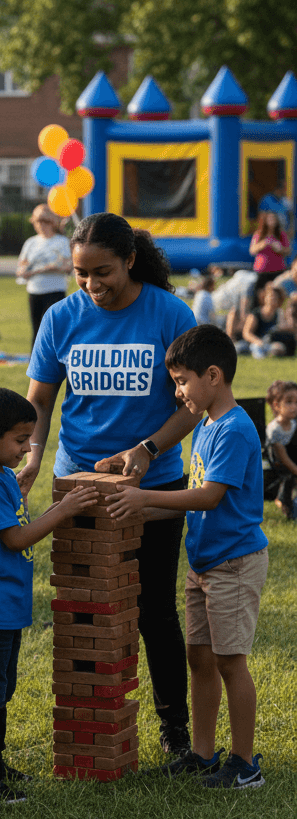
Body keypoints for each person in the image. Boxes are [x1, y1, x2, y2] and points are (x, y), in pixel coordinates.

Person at [20, 211, 201, 756]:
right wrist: (32, 456)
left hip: (154, 485)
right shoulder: (60, 317)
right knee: (84, 608)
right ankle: (89, 726)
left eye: (103, 272)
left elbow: (193, 404)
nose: (92, 285)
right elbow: (41, 400)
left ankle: (174, 734)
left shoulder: (170, 314)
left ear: (129, 261)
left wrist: (148, 451)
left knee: (155, 613)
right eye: (81, 274)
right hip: (79, 485)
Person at [106, 325, 268, 789]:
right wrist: (139, 511)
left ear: (213, 375)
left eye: (181, 381)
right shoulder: (207, 425)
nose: (178, 392)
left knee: (230, 661)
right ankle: (201, 753)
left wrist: (147, 501)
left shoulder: (234, 429)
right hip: (203, 565)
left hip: (234, 564)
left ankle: (244, 764)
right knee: (199, 657)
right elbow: (196, 497)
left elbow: (210, 496)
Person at [0, 389, 99, 800]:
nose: (26, 450)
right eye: (20, 441)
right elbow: (15, 539)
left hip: (5, 604)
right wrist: (61, 511)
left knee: (2, 689)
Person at [16, 205, 71, 347]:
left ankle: (56, 365)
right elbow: (21, 268)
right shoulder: (31, 243)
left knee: (53, 331)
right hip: (34, 291)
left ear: (51, 222)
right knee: (37, 331)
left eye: (44, 221)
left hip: (55, 291)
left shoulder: (61, 241)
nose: (40, 225)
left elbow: (67, 266)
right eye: (37, 222)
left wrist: (43, 270)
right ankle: (35, 365)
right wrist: (27, 272)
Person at [262, 379, 297, 519]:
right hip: (279, 466)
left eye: (296, 402)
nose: (294, 407)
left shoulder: (294, 423)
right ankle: (284, 501)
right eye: (289, 402)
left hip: (292, 461)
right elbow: (283, 458)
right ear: (276, 405)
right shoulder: (275, 429)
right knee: (289, 477)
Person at [241, 284, 295, 358]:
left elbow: (286, 328)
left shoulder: (279, 313)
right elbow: (247, 333)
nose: (272, 299)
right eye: (270, 296)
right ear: (265, 297)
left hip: (269, 344)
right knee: (240, 348)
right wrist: (258, 342)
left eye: (275, 298)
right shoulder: (256, 314)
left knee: (279, 348)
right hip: (254, 343)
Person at [249, 209, 290, 291]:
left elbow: (288, 251)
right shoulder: (259, 234)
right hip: (262, 271)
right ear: (265, 221)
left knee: (277, 294)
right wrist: (264, 243)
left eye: (274, 219)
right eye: (270, 219)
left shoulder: (281, 234)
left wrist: (279, 248)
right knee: (260, 294)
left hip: (277, 270)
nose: (272, 221)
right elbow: (252, 250)